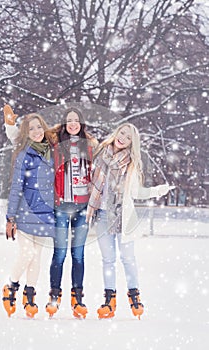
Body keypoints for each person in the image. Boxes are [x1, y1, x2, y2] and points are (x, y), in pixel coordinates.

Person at [86, 123, 172, 319]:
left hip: (124, 218)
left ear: (132, 143)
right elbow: (90, 182)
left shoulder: (132, 163)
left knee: (128, 259)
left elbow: (136, 192)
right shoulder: (100, 154)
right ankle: (109, 300)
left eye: (128, 137)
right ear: (116, 133)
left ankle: (134, 296)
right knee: (108, 260)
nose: (123, 137)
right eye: (122, 133)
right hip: (102, 215)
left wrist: (157, 191)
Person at [45, 107, 98, 319]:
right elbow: (33, 136)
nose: (73, 124)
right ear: (64, 124)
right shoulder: (57, 145)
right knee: (59, 253)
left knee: (78, 255)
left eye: (76, 120)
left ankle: (77, 298)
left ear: (82, 123)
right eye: (69, 121)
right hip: (61, 206)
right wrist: (12, 127)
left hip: (82, 207)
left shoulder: (91, 146)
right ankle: (54, 296)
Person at [2, 112, 56, 318]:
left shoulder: (51, 153)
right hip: (25, 213)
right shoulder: (24, 154)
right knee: (27, 253)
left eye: (38, 127)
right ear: (25, 133)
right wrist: (11, 217)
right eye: (31, 128)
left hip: (45, 214)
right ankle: (11, 286)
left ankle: (30, 295)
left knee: (37, 257)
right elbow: (16, 187)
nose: (36, 132)